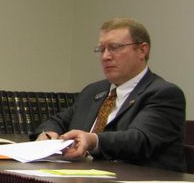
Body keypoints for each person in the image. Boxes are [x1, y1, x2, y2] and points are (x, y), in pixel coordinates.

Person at [36, 18, 185, 171]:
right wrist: (49, 133)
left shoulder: (163, 93)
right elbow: (59, 120)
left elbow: (138, 140)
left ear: (142, 50)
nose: (105, 56)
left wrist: (93, 140)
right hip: (83, 179)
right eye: (101, 50)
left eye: (114, 48)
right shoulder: (94, 91)